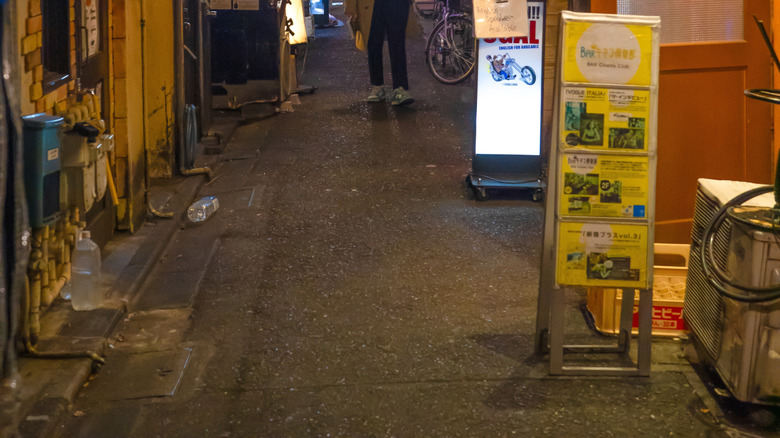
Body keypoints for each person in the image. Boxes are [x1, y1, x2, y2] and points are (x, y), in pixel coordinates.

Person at [345, 0, 415, 106]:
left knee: (397, 43)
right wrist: (350, 7)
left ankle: (400, 88)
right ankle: (377, 86)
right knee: (373, 43)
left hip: (398, 3)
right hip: (371, 4)